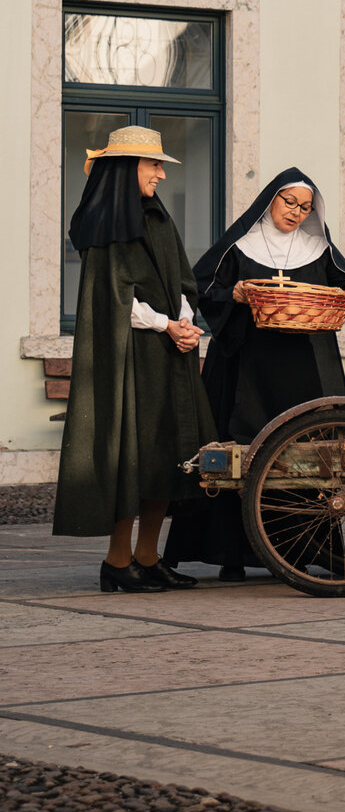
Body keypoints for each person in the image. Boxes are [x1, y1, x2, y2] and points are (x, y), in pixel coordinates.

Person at [163, 170, 345, 580]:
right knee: (240, 453)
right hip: (245, 367)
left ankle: (298, 552)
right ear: (270, 200)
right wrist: (235, 294)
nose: (296, 212)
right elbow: (201, 290)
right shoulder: (239, 246)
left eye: (305, 207)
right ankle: (230, 554)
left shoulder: (318, 248)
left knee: (303, 456)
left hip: (302, 372)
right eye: (289, 203)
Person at [54, 127, 219, 593]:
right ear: (129, 167)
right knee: (135, 457)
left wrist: (186, 322)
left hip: (170, 354)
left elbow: (181, 279)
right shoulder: (106, 223)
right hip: (132, 359)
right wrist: (166, 325)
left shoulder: (157, 216)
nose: (162, 175)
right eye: (155, 165)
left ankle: (148, 557)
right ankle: (116, 560)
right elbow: (111, 300)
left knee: (167, 457)